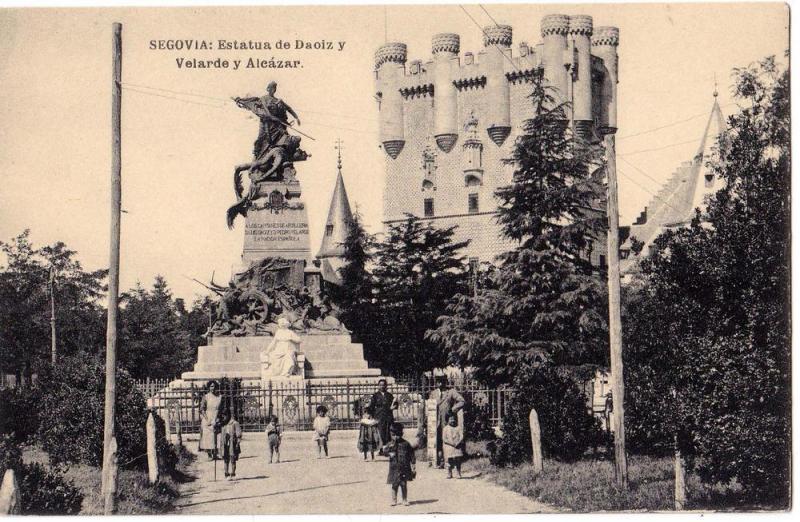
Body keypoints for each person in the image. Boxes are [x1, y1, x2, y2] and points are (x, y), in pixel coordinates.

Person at [234, 81, 301, 161]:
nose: (273, 89)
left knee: (283, 137)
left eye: (275, 88)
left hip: (277, 124)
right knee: (261, 138)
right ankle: (257, 156)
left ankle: (280, 155)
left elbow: (288, 108)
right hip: (266, 123)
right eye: (272, 88)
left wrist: (296, 117)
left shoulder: (278, 100)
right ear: (268, 89)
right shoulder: (264, 98)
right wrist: (272, 117)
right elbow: (266, 111)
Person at [432, 379, 465, 468]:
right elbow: (430, 406)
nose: (440, 383)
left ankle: (449, 461)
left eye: (442, 381)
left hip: (447, 421)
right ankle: (440, 461)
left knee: (448, 441)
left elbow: (462, 401)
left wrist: (453, 409)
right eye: (438, 381)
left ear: (445, 382)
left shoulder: (451, 392)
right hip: (435, 422)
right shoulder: (433, 393)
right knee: (438, 441)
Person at [384, 422, 416, 507]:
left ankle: (404, 499)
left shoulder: (406, 444)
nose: (395, 437)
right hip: (394, 468)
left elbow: (411, 454)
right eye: (393, 435)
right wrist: (389, 453)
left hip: (404, 467)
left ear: (401, 434)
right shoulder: (390, 444)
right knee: (394, 484)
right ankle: (394, 500)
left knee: (403, 484)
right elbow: (384, 451)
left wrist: (413, 464)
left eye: (397, 435)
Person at [370, 379, 398, 450]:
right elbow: (371, 407)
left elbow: (395, 405)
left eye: (383, 385)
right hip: (379, 416)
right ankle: (381, 449)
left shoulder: (389, 395)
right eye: (380, 385)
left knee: (388, 432)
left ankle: (388, 449)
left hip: (388, 416)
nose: (382, 386)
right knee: (380, 432)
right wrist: (372, 416)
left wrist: (393, 406)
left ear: (386, 386)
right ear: (378, 386)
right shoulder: (375, 396)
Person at [198, 380, 222, 460]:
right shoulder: (206, 397)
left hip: (216, 417)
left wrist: (218, 418)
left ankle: (215, 454)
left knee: (216, 436)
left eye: (214, 386)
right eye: (211, 386)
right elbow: (202, 409)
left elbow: (221, 409)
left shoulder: (219, 397)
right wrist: (207, 419)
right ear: (208, 387)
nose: (213, 388)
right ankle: (209, 455)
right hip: (208, 417)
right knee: (208, 436)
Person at [221, 410, 243, 481]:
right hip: (225, 444)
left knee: (233, 459)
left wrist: (237, 443)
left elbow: (239, 435)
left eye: (224, 416)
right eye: (222, 416)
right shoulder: (223, 424)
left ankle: (233, 473)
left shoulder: (235, 423)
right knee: (225, 459)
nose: (223, 418)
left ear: (228, 415)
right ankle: (226, 473)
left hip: (232, 444)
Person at [442, 413, 464, 479]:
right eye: (451, 419)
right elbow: (444, 439)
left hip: (457, 446)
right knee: (449, 460)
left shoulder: (458, 427)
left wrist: (458, 442)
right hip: (449, 446)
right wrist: (451, 443)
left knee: (458, 460)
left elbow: (462, 436)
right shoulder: (445, 428)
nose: (452, 420)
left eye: (454, 419)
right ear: (447, 420)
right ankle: (449, 473)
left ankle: (458, 473)